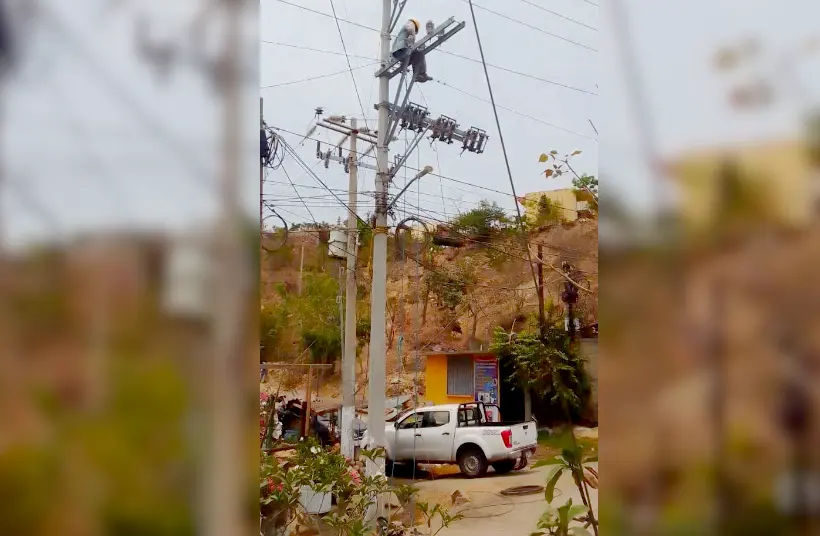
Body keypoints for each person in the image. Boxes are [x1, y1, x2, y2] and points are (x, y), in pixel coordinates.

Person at [391, 18, 434, 83]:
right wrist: (412, 39)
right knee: (419, 54)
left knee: (415, 57)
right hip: (401, 50)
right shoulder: (411, 24)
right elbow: (410, 30)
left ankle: (418, 75)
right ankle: (421, 73)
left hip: (398, 53)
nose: (415, 32)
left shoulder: (405, 32)